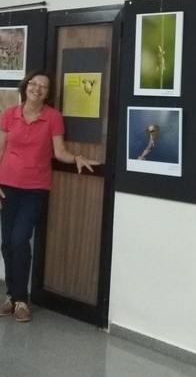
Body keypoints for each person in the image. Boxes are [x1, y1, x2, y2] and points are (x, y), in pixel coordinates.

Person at [0, 70, 99, 322]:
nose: (37, 88)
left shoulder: (53, 117)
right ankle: (11, 295)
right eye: (33, 83)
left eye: (43, 86)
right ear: (26, 86)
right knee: (7, 243)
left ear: (48, 93)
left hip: (35, 188)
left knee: (20, 239)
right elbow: (0, 148)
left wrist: (77, 158)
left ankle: (21, 300)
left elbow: (60, 151)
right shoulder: (9, 114)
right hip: (6, 186)